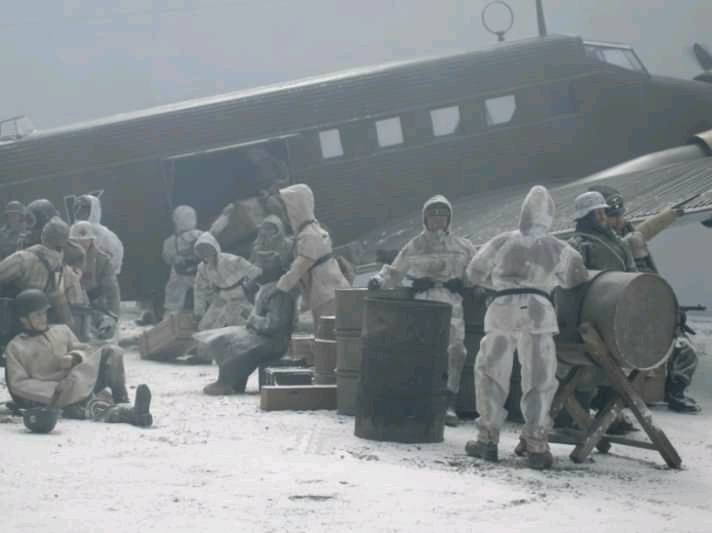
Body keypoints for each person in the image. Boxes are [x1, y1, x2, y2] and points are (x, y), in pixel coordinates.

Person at [464, 185, 589, 469]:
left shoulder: (501, 241)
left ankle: (487, 440)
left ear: (523, 213)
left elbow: (473, 272)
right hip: (538, 311)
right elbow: (577, 278)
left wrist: (498, 285)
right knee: (540, 378)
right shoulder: (559, 247)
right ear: (550, 216)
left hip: (502, 309)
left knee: (491, 373)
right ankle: (537, 446)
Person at [588, 186, 700, 413]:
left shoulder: (628, 237)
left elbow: (646, 229)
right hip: (622, 312)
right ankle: (607, 397)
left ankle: (676, 392)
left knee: (684, 349)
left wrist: (671, 214)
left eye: (620, 215)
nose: (619, 220)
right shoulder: (606, 244)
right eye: (613, 215)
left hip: (649, 302)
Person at [368, 194, 476, 427]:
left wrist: (464, 283)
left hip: (451, 305)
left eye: (443, 215)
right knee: (421, 351)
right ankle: (422, 401)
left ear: (449, 219)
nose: (438, 220)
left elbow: (479, 271)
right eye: (432, 215)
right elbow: (395, 271)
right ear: (425, 218)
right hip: (422, 305)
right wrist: (381, 280)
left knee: (456, 351)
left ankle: (449, 401)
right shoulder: (414, 245)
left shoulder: (463, 246)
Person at [4, 289, 151, 427]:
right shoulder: (16, 347)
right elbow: (18, 384)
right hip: (58, 395)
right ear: (24, 319)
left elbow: (86, 349)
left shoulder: (61, 331)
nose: (43, 318)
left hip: (81, 378)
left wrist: (74, 357)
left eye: (44, 313)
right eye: (37, 315)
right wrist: (54, 391)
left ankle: (122, 400)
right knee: (89, 407)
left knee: (112, 352)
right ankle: (130, 414)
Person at [197, 252, 298, 395]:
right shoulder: (267, 288)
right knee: (221, 336)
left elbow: (274, 325)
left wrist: (253, 320)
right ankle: (231, 380)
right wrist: (250, 294)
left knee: (232, 343)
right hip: (263, 335)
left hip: (274, 341)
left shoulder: (278, 292)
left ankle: (230, 382)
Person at [275, 183, 351, 334]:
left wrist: (280, 287)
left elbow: (299, 268)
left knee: (329, 336)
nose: (284, 215)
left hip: (326, 295)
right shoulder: (311, 231)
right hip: (326, 293)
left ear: (296, 209)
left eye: (286, 209)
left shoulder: (309, 236)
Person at [0, 216, 73, 327]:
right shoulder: (61, 267)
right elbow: (59, 298)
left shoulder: (23, 258)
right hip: (38, 323)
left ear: (43, 235)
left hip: (11, 320)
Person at [193, 231, 262, 331]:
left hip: (240, 296)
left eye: (207, 249)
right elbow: (199, 289)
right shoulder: (202, 268)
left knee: (241, 326)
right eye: (202, 251)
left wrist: (254, 285)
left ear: (214, 248)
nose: (205, 254)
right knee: (206, 327)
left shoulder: (231, 260)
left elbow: (255, 271)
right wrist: (199, 311)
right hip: (222, 297)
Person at [69, 221, 121, 341]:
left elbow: (112, 292)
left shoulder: (102, 261)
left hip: (95, 310)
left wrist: (113, 317)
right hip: (70, 310)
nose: (81, 244)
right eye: (76, 241)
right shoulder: (62, 259)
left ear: (91, 241)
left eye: (85, 241)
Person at [162, 205, 203, 314]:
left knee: (173, 304)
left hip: (188, 274)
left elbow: (167, 258)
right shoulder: (199, 235)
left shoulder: (170, 241)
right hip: (187, 274)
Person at [73, 194, 124, 276]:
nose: (79, 211)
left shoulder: (106, 235)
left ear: (94, 209)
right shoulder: (72, 231)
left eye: (84, 208)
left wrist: (104, 274)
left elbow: (116, 258)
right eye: (77, 207)